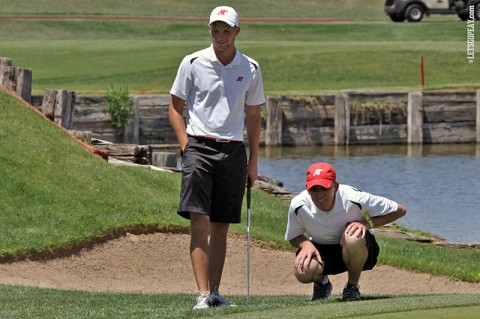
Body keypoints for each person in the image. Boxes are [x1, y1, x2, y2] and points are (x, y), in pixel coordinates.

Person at [168, 5, 265, 310]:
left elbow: (253, 114)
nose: (220, 36)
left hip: (234, 150)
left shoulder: (250, 68)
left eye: (226, 30)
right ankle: (201, 294)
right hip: (199, 146)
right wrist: (186, 146)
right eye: (215, 30)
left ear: (237, 31)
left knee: (221, 226)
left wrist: (253, 162)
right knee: (200, 221)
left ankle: (215, 293)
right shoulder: (193, 62)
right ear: (209, 30)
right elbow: (175, 107)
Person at [285, 162, 407, 301]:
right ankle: (322, 283)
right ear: (307, 190)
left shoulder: (354, 197)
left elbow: (400, 210)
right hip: (323, 250)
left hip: (359, 249)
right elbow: (293, 236)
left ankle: (352, 287)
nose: (319, 195)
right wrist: (305, 244)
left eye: (324, 188)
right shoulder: (298, 205)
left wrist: (366, 223)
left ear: (335, 187)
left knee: (352, 236)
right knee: (302, 271)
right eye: (314, 189)